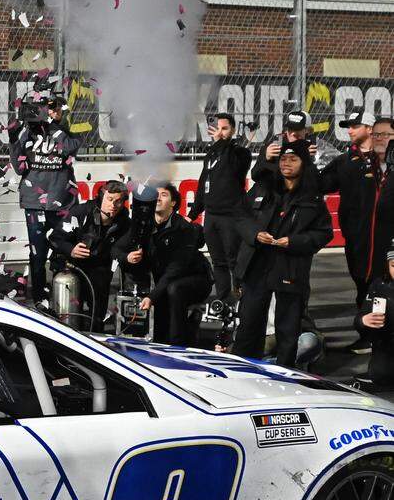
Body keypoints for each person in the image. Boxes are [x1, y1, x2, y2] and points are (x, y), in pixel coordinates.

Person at [231, 140, 333, 368]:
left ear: (304, 164)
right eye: (283, 159)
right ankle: (243, 369)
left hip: (290, 266)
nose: (286, 163)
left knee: (288, 328)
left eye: (293, 159)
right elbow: (240, 216)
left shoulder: (312, 197)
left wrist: (294, 242)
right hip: (257, 263)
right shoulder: (264, 187)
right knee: (249, 322)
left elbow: (323, 233)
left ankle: (285, 371)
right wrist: (255, 234)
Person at [9, 95, 83, 303]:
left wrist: (52, 126)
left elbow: (69, 148)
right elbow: (19, 168)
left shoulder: (68, 130)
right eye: (46, 108)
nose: (50, 112)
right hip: (35, 203)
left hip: (63, 202)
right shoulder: (30, 132)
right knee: (38, 253)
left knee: (63, 248)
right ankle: (39, 297)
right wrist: (14, 140)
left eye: (54, 108)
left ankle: (64, 297)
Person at [121, 182, 213, 346]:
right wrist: (126, 257)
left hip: (195, 278)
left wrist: (152, 296)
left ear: (173, 203)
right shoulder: (145, 225)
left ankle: (178, 344)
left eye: (163, 195)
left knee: (173, 289)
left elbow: (174, 270)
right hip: (164, 281)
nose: (158, 198)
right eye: (155, 195)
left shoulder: (184, 228)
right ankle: (174, 336)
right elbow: (117, 248)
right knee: (163, 301)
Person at [319, 109, 382, 313]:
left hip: (384, 236)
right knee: (361, 283)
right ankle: (366, 325)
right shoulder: (343, 161)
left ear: (370, 129)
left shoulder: (387, 158)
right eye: (349, 127)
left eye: (355, 126)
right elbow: (320, 185)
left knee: (382, 285)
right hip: (355, 237)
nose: (350, 131)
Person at [48, 180, 131, 332]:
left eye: (118, 201)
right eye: (110, 199)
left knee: (98, 308)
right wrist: (71, 249)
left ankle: (95, 334)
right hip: (71, 265)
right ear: (101, 197)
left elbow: (122, 249)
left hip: (99, 268)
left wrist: (127, 256)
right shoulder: (81, 212)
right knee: (69, 304)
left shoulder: (124, 222)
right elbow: (55, 238)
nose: (113, 205)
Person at [187, 112, 251, 301]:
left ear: (233, 130)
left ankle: (243, 298)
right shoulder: (212, 153)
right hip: (212, 216)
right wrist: (193, 214)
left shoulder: (240, 153)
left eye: (225, 128)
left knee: (234, 260)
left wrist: (220, 142)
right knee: (218, 261)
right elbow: (203, 184)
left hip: (231, 216)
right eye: (218, 128)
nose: (220, 132)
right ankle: (223, 300)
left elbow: (235, 168)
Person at [354, 244, 394, 389]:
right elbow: (359, 320)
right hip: (387, 345)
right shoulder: (379, 286)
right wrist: (363, 320)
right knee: (379, 374)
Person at [251, 109, 328, 182]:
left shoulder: (314, 144)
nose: (293, 133)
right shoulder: (275, 144)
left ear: (307, 131)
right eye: (290, 129)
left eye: (297, 129)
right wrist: (266, 159)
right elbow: (255, 176)